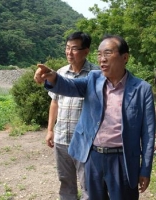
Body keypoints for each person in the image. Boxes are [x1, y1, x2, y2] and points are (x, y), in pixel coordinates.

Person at [34, 34, 156, 200]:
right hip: (94, 157)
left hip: (123, 159)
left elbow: (148, 134)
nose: (102, 59)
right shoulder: (93, 78)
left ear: (125, 57)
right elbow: (70, 86)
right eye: (99, 54)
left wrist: (145, 169)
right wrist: (52, 77)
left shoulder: (141, 89)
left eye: (107, 53)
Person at [46, 31, 99, 200]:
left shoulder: (96, 75)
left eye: (74, 49)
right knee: (65, 182)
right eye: (67, 48)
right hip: (62, 137)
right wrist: (50, 130)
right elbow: (55, 102)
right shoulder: (59, 73)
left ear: (86, 51)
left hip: (85, 140)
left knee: (88, 184)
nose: (69, 52)